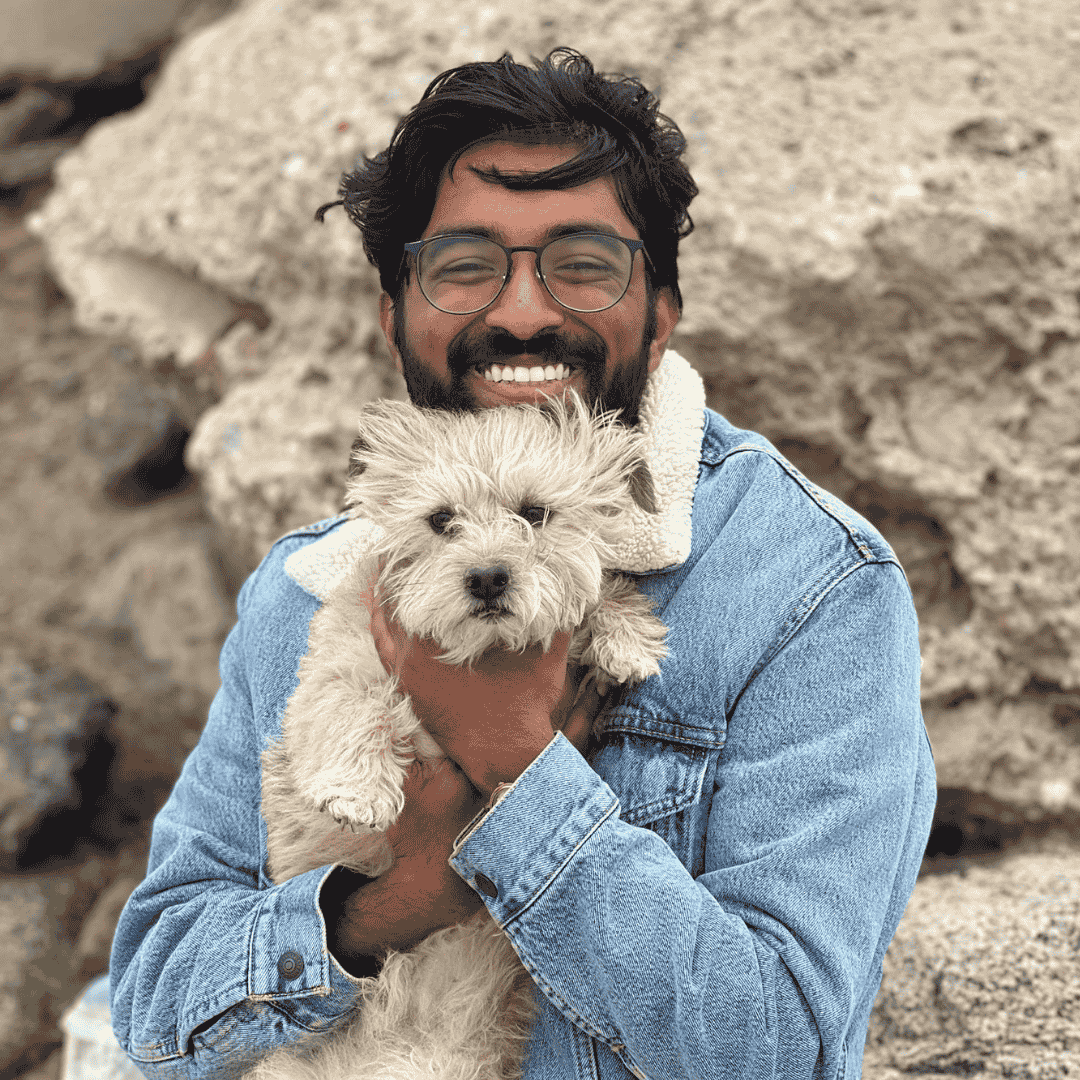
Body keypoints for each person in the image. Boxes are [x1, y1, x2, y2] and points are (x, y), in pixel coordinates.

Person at [97, 47, 936, 1080]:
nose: (524, 313)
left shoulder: (809, 588)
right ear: (395, 317)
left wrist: (517, 770)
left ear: (661, 314)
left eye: (582, 264)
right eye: (464, 266)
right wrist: (398, 900)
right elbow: (154, 1008)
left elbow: (778, 1052)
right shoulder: (307, 588)